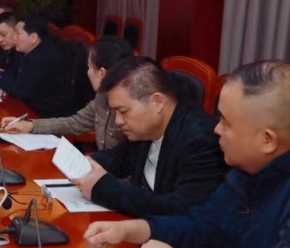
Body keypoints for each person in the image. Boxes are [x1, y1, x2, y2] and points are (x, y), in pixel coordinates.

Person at [83, 60, 290, 248]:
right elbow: (202, 225)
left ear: (268, 140)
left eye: (226, 123)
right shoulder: (247, 171)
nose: (216, 129)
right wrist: (135, 229)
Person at [73, 56, 226, 217]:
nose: (118, 121)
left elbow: (180, 210)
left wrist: (103, 190)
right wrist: (85, 164)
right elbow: (121, 158)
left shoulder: (201, 141)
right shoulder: (145, 129)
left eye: (123, 111)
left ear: (157, 102)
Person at [1, 36, 134, 150]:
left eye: (89, 67)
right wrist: (30, 125)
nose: (87, 72)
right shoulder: (101, 96)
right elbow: (75, 123)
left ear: (101, 73)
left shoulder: (132, 108)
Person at [0, 13, 78, 118]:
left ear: (33, 37)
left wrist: (0, 82)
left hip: (51, 118)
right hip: (32, 110)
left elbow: (23, 91)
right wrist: (4, 84)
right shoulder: (26, 53)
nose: (14, 38)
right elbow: (10, 74)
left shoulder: (45, 57)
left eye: (18, 34)